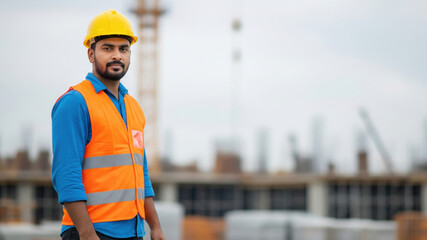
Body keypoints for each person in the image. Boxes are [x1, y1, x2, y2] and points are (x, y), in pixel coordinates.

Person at [51, 9, 166, 240]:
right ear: (91, 54)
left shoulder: (133, 107)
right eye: (108, 48)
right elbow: (66, 175)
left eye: (123, 49)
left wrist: (155, 227)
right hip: (92, 232)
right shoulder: (75, 103)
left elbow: (140, 174)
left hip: (133, 232)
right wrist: (87, 233)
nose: (117, 56)